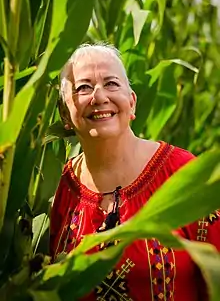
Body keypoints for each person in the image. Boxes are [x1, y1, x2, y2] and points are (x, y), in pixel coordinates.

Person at [50, 43, 220, 301]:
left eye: (111, 84)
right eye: (83, 87)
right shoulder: (64, 185)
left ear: (132, 103)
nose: (99, 97)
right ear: (65, 113)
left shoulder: (182, 173)